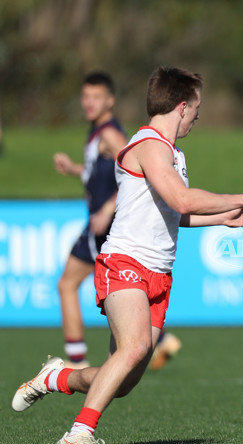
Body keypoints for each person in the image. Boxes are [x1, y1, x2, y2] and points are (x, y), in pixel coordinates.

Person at [13, 66, 243, 444]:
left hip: (158, 273)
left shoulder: (173, 153)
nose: (198, 116)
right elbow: (182, 199)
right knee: (136, 346)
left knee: (121, 381)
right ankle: (77, 434)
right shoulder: (150, 145)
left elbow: (178, 213)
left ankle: (56, 377)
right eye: (196, 108)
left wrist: (224, 217)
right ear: (181, 106)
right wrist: (241, 197)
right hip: (125, 262)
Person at [53, 71, 181, 371]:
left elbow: (133, 168)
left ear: (110, 100)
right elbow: (102, 171)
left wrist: (109, 207)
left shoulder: (111, 134)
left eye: (96, 97)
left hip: (107, 227)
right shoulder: (98, 132)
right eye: (85, 97)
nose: (89, 103)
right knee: (92, 290)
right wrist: (74, 168)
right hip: (102, 224)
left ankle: (75, 362)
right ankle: (160, 339)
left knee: (67, 284)